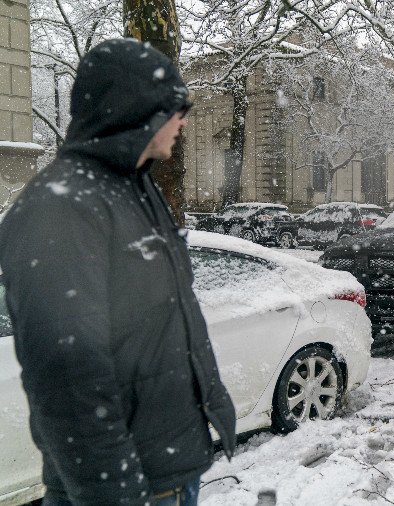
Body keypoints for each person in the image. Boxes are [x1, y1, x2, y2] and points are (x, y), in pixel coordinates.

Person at [0, 39, 236, 505]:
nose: (184, 120)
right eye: (176, 107)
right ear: (137, 112)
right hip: (128, 487)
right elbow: (67, 379)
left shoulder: (132, 188)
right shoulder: (61, 207)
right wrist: (117, 495)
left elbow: (169, 317)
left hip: (165, 469)